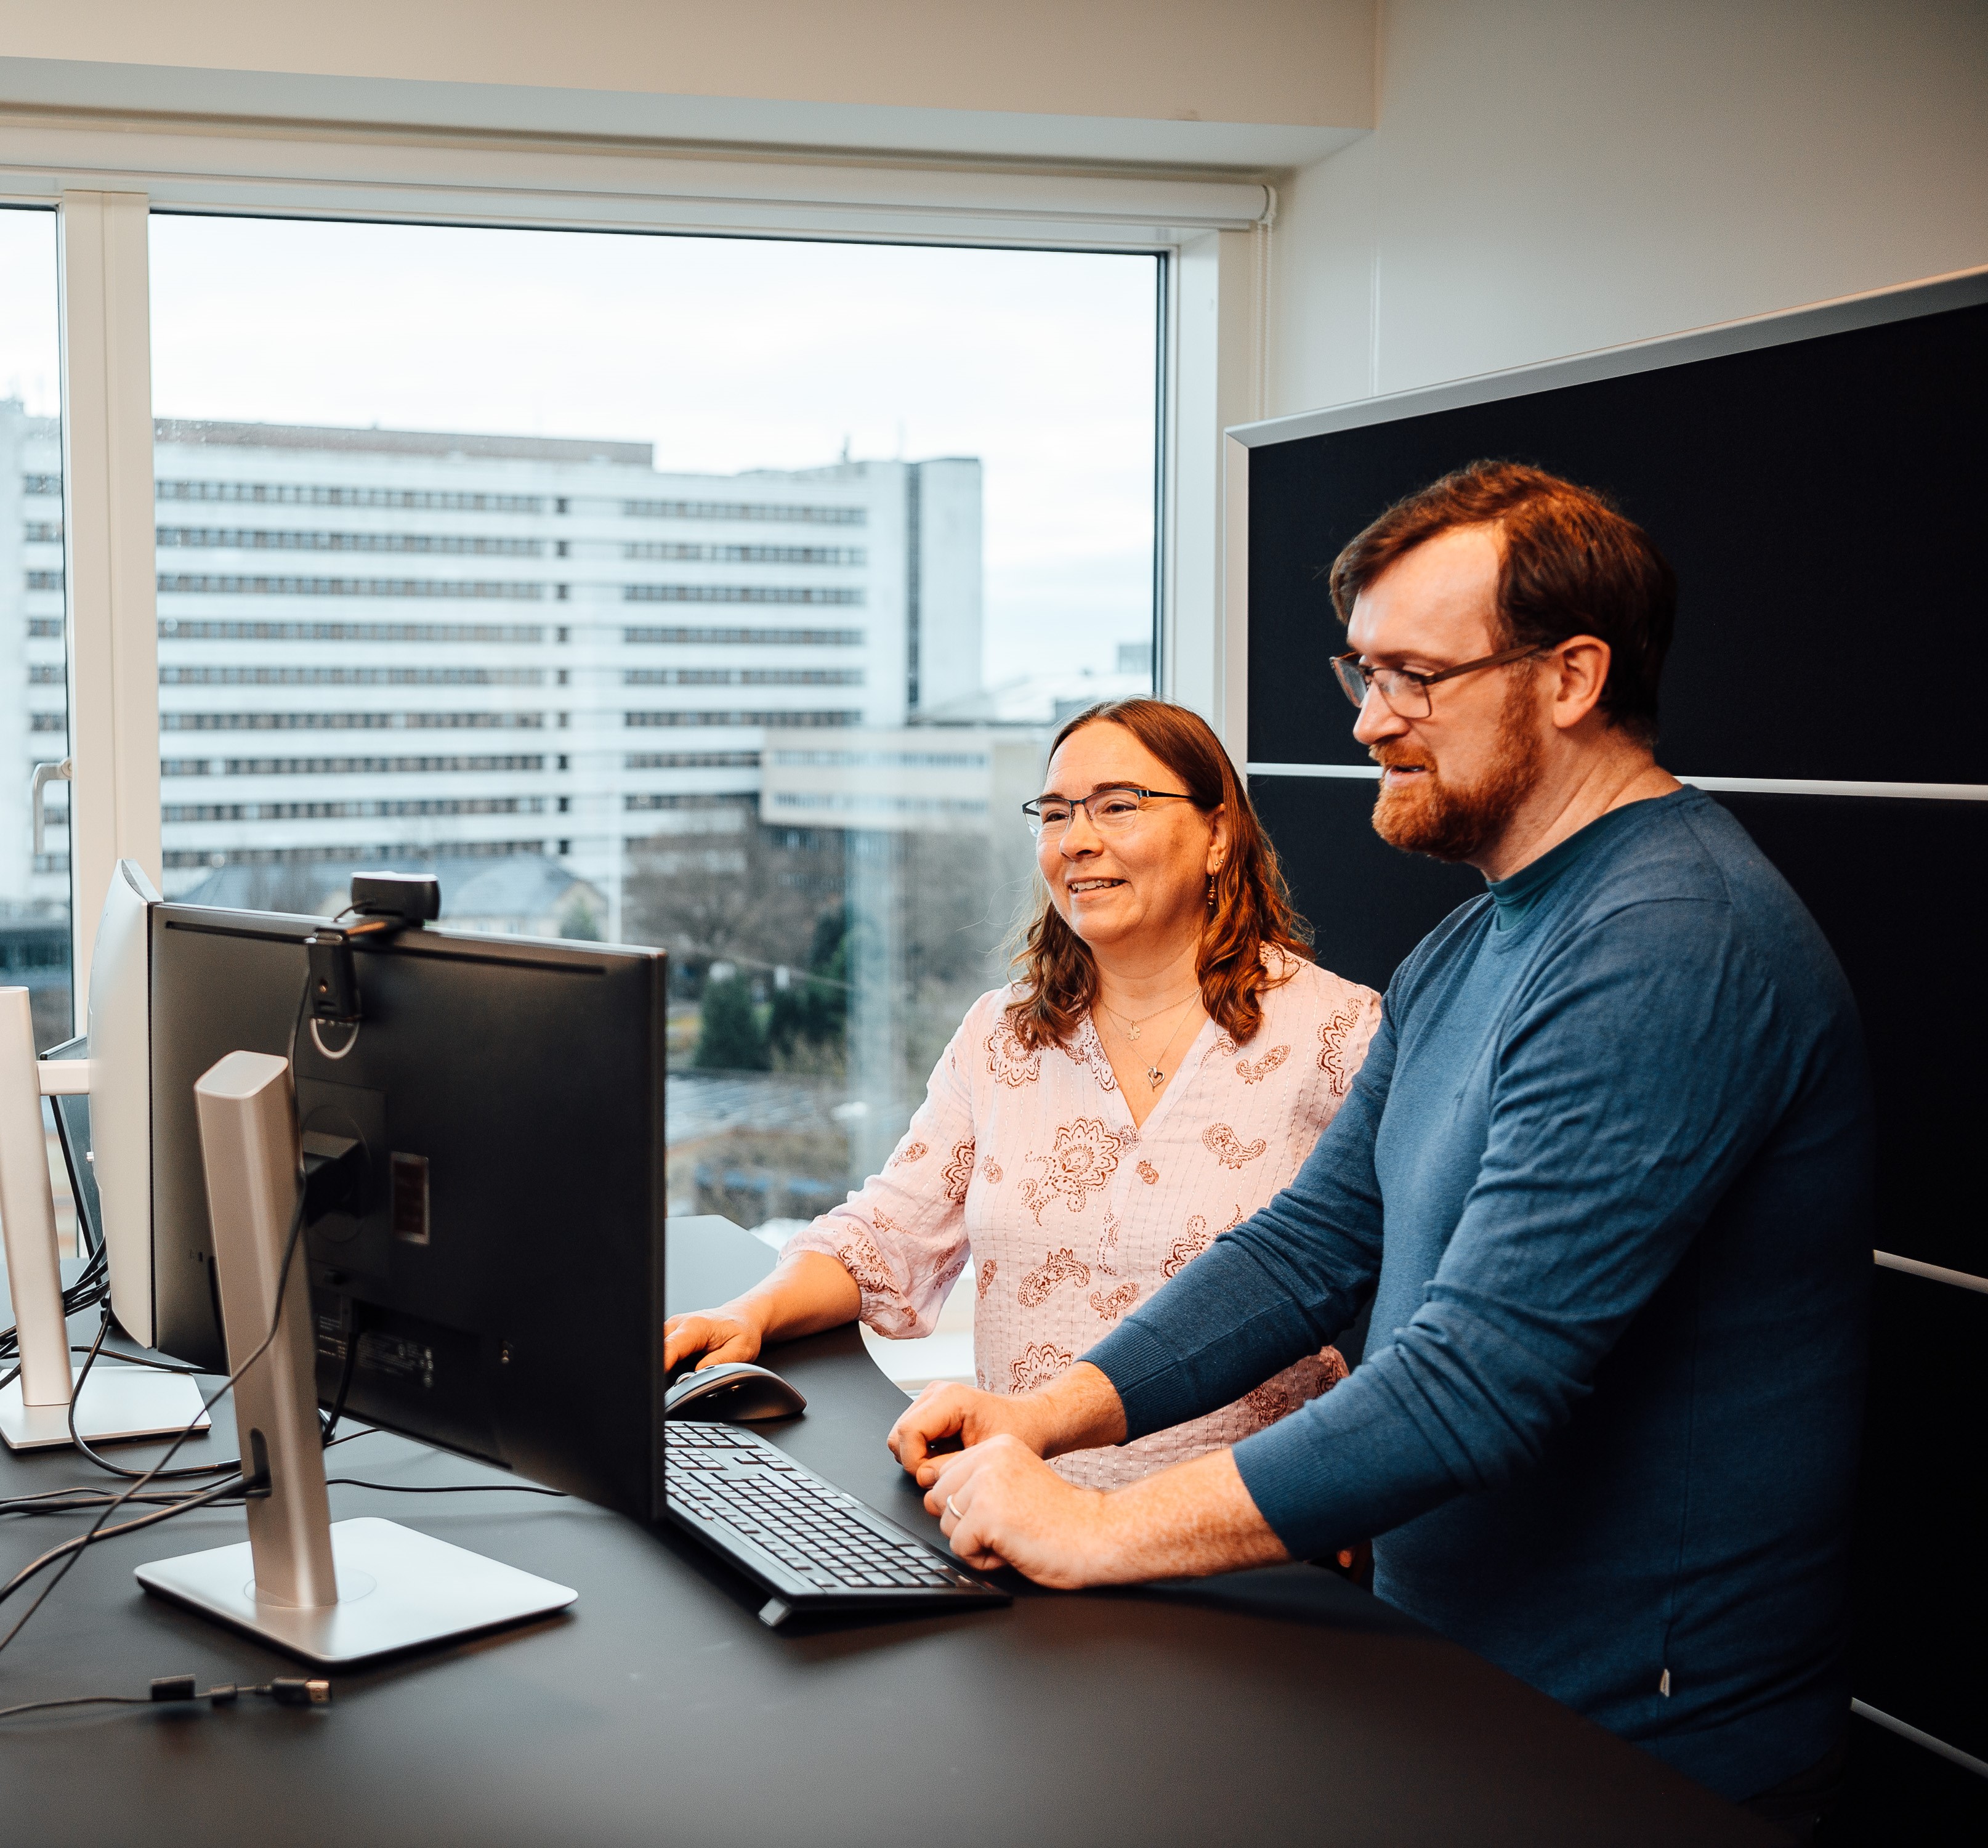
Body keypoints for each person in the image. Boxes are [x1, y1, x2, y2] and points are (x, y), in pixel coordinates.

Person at [888, 463, 1872, 1826]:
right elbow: (1313, 1248)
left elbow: (1479, 1382)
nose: (1367, 721)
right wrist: (1046, 1418)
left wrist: (1101, 1530)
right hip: (1459, 1683)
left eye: (1413, 677)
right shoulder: (1479, 938)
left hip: (1638, 1748)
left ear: (1572, 677)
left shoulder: (1669, 942)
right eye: (1361, 673)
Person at [664, 698, 1382, 1487]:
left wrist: (1360, 1465)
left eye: (1119, 805)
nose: (1077, 840)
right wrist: (749, 1314)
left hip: (1244, 1529)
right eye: (1055, 812)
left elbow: (1419, 1284)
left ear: (1217, 835)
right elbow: (887, 1230)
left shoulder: (1341, 1034)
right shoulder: (1002, 1036)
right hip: (1020, 1509)